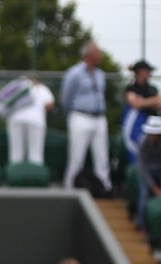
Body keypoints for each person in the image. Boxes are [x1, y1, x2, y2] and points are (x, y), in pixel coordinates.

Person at [61, 43, 113, 191]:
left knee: (102, 157)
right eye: (98, 52)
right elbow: (66, 98)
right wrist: (71, 115)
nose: (101, 56)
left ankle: (104, 189)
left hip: (100, 118)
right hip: (80, 116)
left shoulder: (100, 74)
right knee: (77, 156)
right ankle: (70, 187)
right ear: (89, 54)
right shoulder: (74, 73)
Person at [1, 73, 54, 167]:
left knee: (16, 153)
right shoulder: (43, 89)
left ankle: (15, 177)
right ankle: (36, 178)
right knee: (35, 154)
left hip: (16, 120)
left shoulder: (16, 86)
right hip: (36, 121)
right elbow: (50, 105)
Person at [135, 117, 161, 225]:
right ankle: (142, 223)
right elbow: (142, 167)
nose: (154, 137)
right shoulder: (142, 142)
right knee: (144, 194)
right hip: (147, 170)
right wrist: (154, 188)